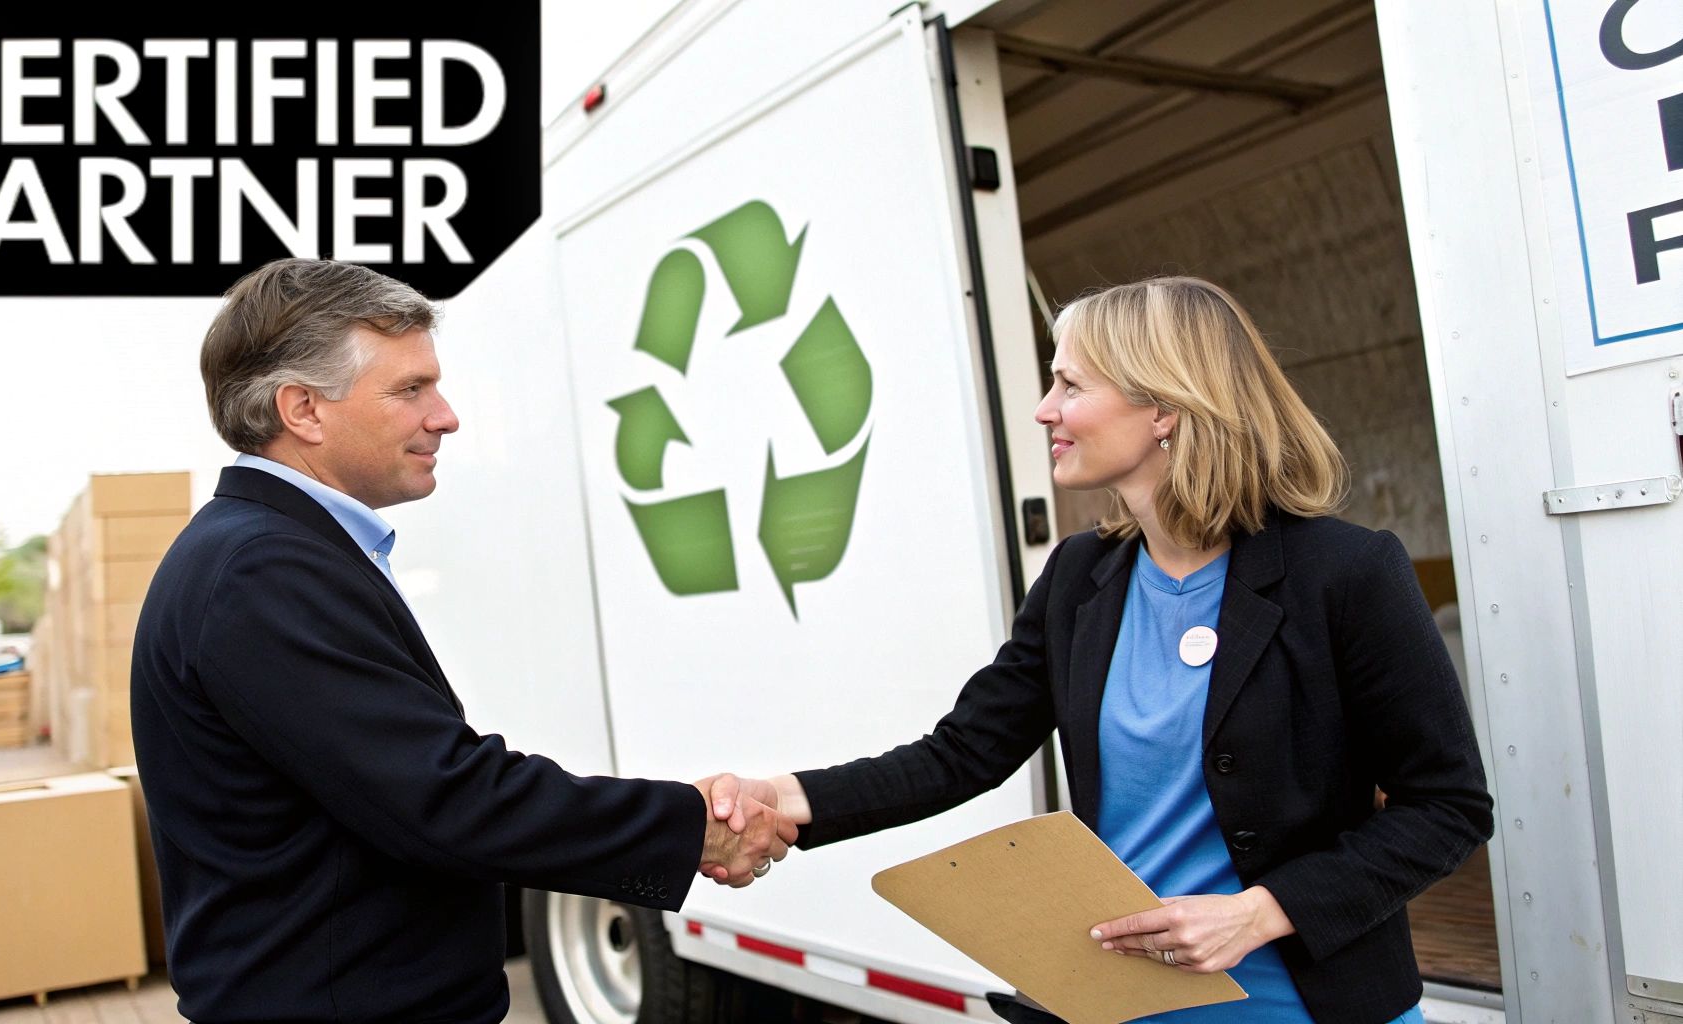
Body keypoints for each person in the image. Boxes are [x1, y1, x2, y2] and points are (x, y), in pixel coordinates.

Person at [708, 277, 1494, 1023]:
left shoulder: (1345, 573)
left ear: (1165, 409)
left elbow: (1447, 806)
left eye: (1070, 386)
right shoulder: (1081, 577)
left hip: (1310, 1005)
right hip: (1122, 1005)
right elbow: (962, 754)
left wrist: (1263, 912)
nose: (1045, 411)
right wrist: (778, 796)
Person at [131, 258, 792, 1024]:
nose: (444, 416)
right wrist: (692, 828)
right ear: (303, 410)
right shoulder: (261, 568)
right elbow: (447, 800)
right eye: (411, 389)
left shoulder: (266, 550)